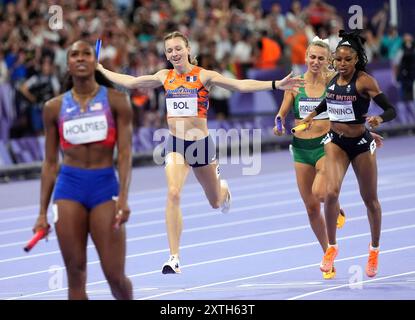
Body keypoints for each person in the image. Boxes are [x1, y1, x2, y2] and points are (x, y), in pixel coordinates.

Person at [97, 31, 305, 274]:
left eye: (177, 49)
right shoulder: (164, 76)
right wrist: (101, 70)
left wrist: (275, 84)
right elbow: (131, 82)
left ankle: (224, 191)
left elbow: (239, 85)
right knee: (173, 193)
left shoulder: (204, 76)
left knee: (215, 201)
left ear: (187, 49)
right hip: (175, 144)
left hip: (201, 147)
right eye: (169, 51)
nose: (174, 54)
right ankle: (174, 257)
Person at [31, 40, 133, 299]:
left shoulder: (117, 101)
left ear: (94, 61)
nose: (80, 58)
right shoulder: (53, 108)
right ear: (67, 65)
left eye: (86, 53)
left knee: (114, 275)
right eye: (74, 55)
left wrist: (123, 198)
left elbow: (124, 155)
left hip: (104, 187)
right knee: (75, 275)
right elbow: (51, 163)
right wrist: (42, 213)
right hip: (69, 188)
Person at [300, 30, 396, 278]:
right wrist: (312, 115)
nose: (342, 64)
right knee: (330, 194)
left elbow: (391, 109)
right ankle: (331, 247)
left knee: (369, 199)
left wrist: (378, 118)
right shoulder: (332, 79)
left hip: (361, 143)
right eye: (338, 60)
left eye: (347, 60)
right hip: (336, 142)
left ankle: (374, 249)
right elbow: (329, 100)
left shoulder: (364, 81)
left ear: (356, 60)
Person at [274, 37, 345, 280]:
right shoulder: (295, 83)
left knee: (321, 193)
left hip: (327, 144)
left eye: (321, 58)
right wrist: (279, 121)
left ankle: (334, 201)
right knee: (311, 207)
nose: (315, 62)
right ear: (305, 58)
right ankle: (328, 253)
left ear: (328, 61)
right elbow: (284, 109)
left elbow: (349, 108)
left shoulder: (333, 82)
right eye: (312, 57)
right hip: (301, 148)